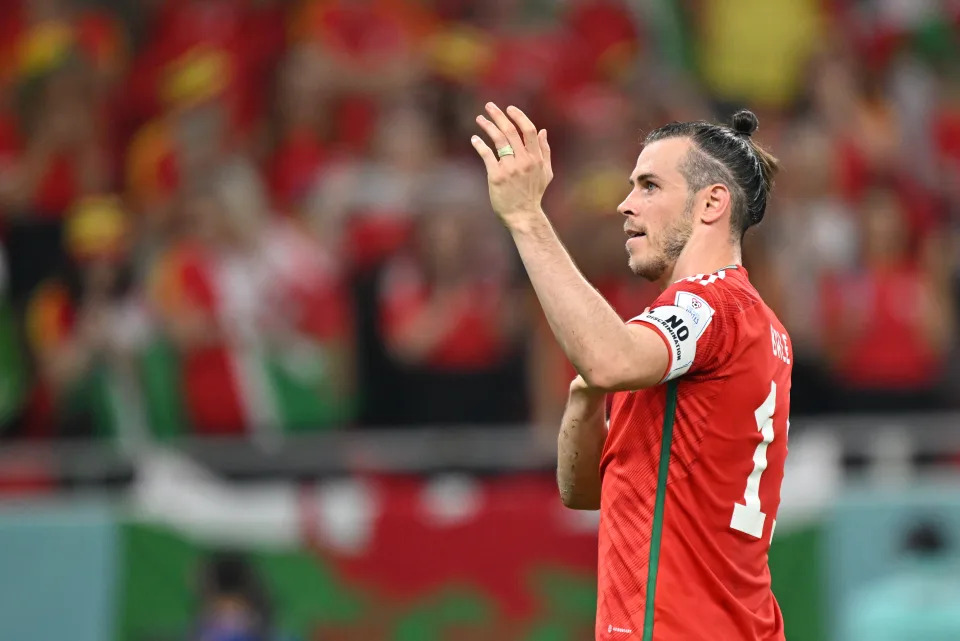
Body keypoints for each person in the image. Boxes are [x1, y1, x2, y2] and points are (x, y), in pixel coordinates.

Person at [471, 103, 790, 640]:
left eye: (648, 186)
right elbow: (587, 490)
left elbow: (609, 357)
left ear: (712, 203)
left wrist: (527, 217)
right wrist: (587, 395)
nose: (625, 204)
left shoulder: (710, 306)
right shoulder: (749, 322)